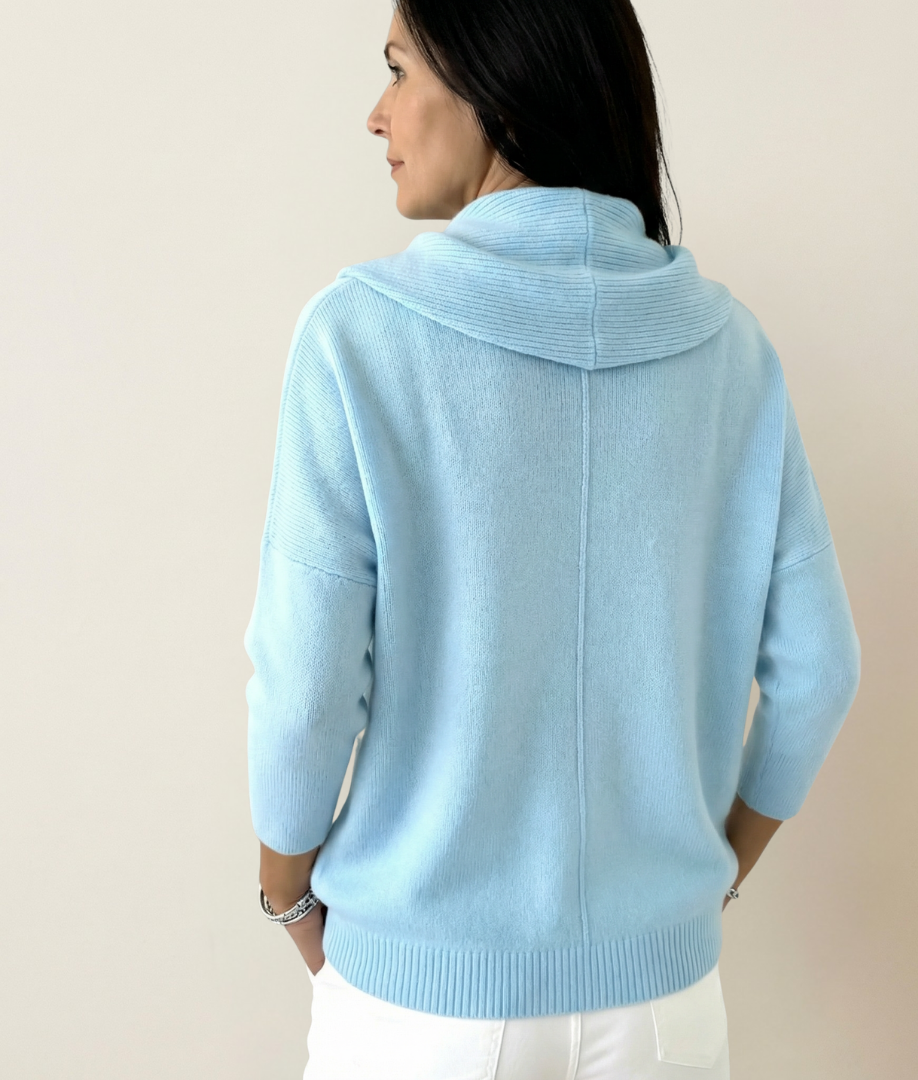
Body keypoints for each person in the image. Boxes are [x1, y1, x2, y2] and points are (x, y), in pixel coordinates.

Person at [244, 0, 862, 1076]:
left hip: (420, 1006)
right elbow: (821, 668)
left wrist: (285, 893)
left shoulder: (358, 338)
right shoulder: (732, 352)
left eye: (398, 69)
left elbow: (304, 692)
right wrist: (709, 874)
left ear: (494, 85)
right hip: (665, 1011)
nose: (377, 113)